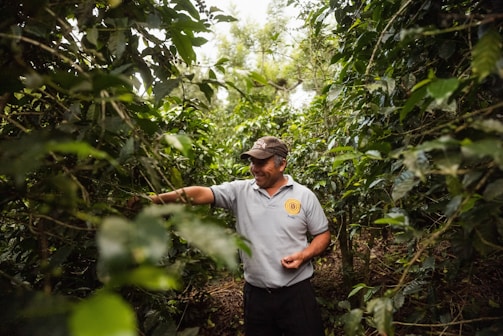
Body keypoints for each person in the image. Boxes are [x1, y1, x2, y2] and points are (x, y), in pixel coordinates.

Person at [133, 136, 330, 336]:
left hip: (296, 294)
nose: (255, 168)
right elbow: (200, 194)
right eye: (252, 162)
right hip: (257, 297)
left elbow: (322, 234)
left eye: (262, 162)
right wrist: (155, 200)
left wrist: (303, 256)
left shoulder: (304, 196)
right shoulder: (240, 191)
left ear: (282, 164)